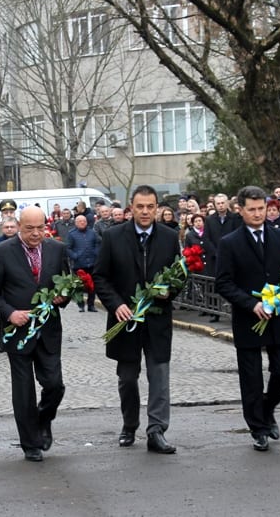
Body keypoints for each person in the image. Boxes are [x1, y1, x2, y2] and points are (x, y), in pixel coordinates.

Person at [93, 185, 181, 454]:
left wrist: (170, 291)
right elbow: (100, 277)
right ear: (131, 208)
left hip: (157, 321)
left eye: (150, 207)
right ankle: (129, 424)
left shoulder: (169, 237)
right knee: (128, 378)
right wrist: (116, 304)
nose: (145, 212)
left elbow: (179, 275)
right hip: (125, 319)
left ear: (157, 208)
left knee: (160, 377)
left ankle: (156, 430)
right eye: (140, 207)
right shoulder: (113, 236)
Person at [0, 206, 70, 462]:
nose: (35, 234)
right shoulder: (1, 251)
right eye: (29, 228)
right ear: (19, 226)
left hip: (49, 330)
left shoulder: (57, 249)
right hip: (17, 332)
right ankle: (30, 443)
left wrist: (63, 297)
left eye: (40, 228)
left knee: (55, 385)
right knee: (23, 391)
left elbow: (66, 283)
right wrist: (10, 314)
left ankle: (44, 418)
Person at [215, 186, 280, 452]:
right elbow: (223, 283)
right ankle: (258, 428)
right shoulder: (230, 242)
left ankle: (268, 407)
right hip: (248, 318)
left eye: (262, 208)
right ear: (241, 210)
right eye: (252, 209)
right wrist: (252, 304)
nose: (258, 213)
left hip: (279, 318)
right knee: (251, 378)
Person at [66, 214, 100, 313]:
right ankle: (81, 305)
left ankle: (91, 305)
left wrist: (96, 253)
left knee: (92, 286)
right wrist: (75, 256)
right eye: (80, 221)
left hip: (92, 264)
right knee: (79, 286)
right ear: (76, 223)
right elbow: (68, 248)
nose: (82, 223)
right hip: (78, 265)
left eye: (84, 221)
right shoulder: (71, 234)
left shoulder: (92, 233)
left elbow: (97, 243)